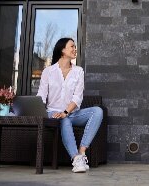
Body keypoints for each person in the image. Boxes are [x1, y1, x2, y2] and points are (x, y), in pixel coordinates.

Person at [37, 38, 103, 173]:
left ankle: (82, 151)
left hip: (71, 113)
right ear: (62, 50)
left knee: (97, 111)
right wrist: (40, 112)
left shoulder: (78, 71)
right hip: (53, 113)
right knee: (64, 119)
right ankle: (76, 159)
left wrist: (66, 112)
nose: (75, 49)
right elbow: (41, 97)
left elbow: (77, 98)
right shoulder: (48, 71)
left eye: (75, 47)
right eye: (72, 46)